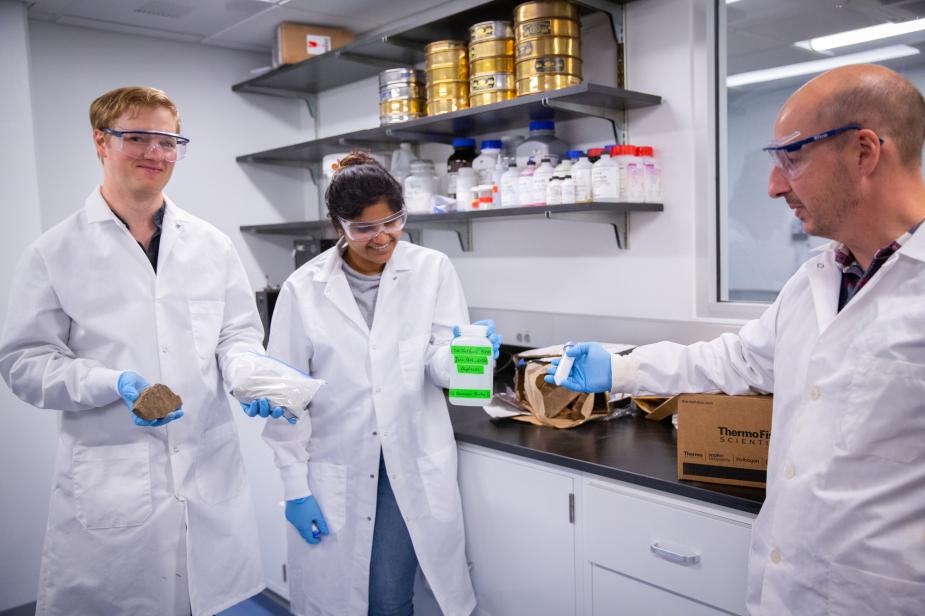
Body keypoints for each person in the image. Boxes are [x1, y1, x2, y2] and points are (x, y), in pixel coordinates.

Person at [549, 64, 925, 615]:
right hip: (784, 589)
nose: (774, 186)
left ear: (864, 151)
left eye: (791, 158)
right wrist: (622, 369)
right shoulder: (818, 278)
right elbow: (739, 359)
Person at [0, 86, 285, 615]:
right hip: (113, 475)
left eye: (169, 140)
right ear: (101, 143)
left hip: (205, 467)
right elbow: (24, 363)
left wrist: (250, 374)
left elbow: (236, 335)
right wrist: (113, 384)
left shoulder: (211, 244)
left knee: (207, 600)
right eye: (137, 137)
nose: (156, 153)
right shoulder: (54, 252)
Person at [261, 151, 502, 616]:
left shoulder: (432, 269)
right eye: (364, 228)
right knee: (337, 600)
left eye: (393, 221)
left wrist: (469, 355)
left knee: (390, 599)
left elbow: (437, 365)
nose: (382, 237)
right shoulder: (303, 288)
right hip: (337, 463)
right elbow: (285, 396)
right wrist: (294, 486)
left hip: (406, 462)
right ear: (339, 228)